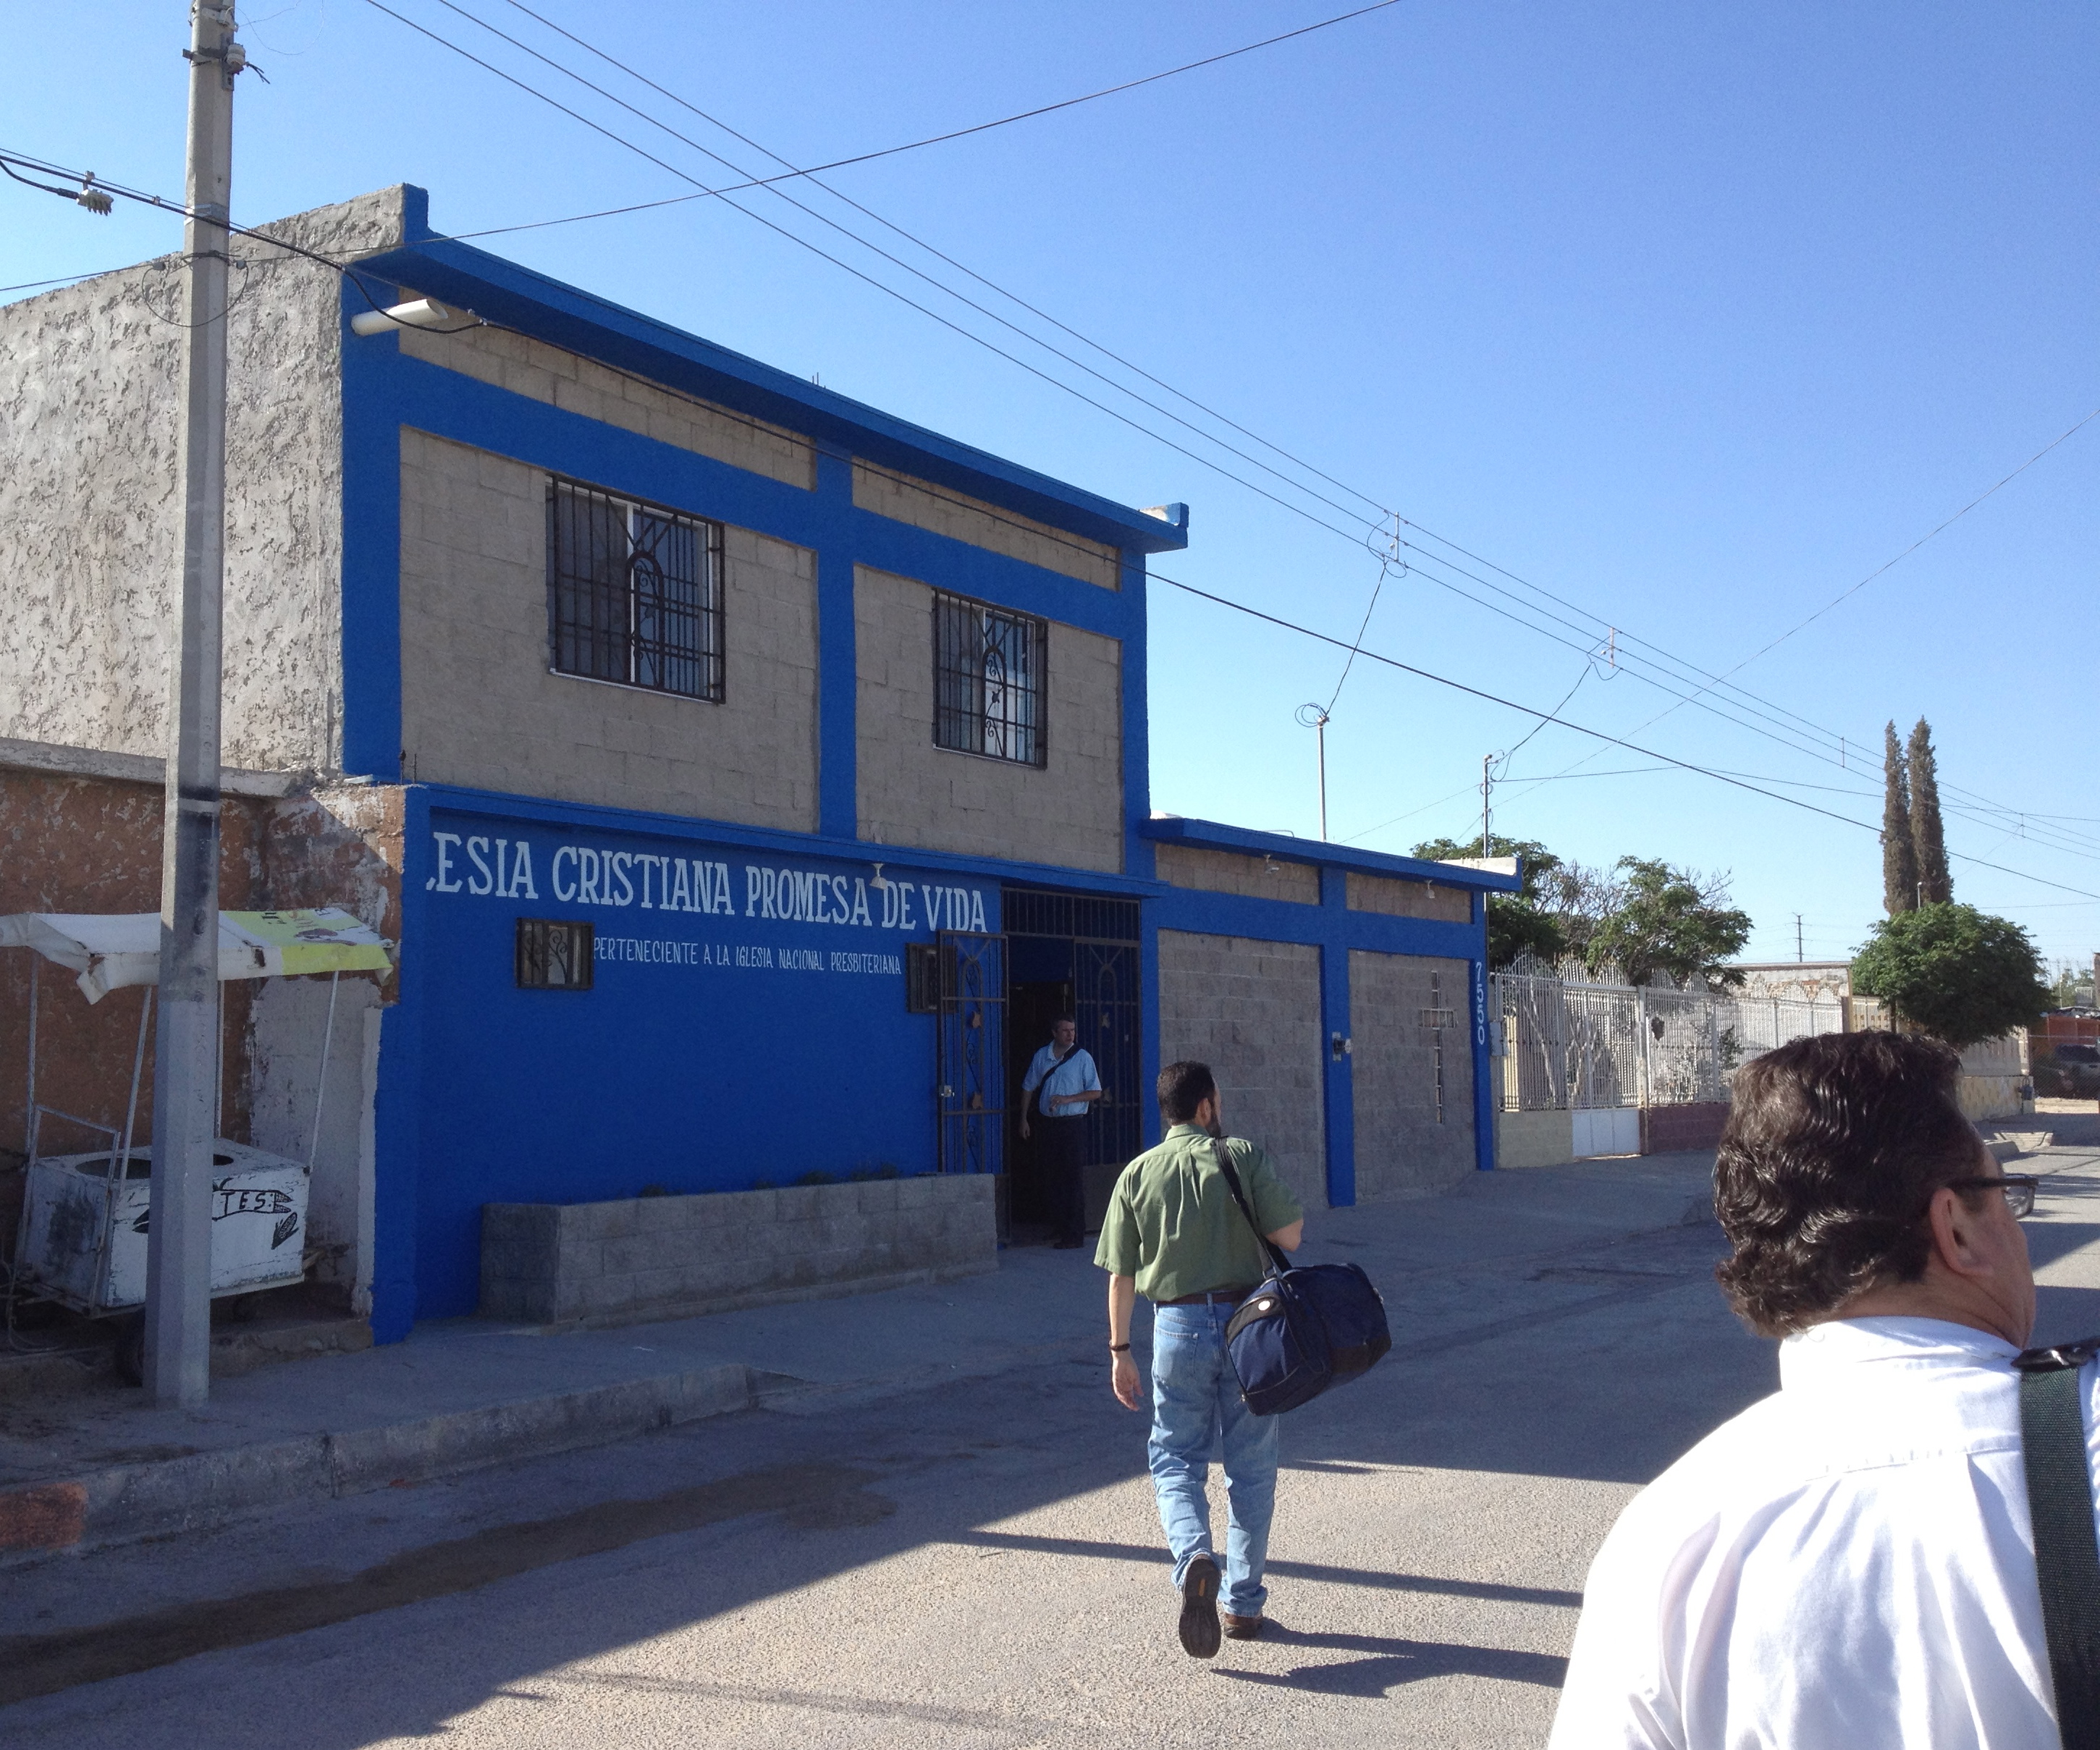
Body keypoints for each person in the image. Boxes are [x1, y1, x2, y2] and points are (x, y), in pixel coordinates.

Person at [1549, 1029, 2065, 1749]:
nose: (2019, 1230)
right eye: (2005, 1197)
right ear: (1957, 1229)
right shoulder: (2084, 1446)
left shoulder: (1672, 1534)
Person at [1097, 1060, 1304, 1657]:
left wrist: (1119, 1352)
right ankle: (1241, 1603)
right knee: (1252, 1465)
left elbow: (1120, 1276)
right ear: (1206, 1106)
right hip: (1249, 1329)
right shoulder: (1240, 1155)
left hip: (1174, 1328)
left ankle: (1193, 1558)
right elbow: (1290, 1235)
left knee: (1174, 1459)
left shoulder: (1137, 1174)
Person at [1020, 1015, 1104, 1248]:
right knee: (1051, 1177)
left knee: (1072, 1179)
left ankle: (1074, 1234)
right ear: (1055, 1032)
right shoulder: (1042, 1056)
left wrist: (1068, 1099)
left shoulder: (1082, 1058)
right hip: (1048, 1124)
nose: (1070, 1035)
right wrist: (1023, 1119)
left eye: (1073, 1030)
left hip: (1072, 1125)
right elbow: (1028, 1087)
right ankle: (1058, 1225)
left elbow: (1095, 1091)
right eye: (1065, 1031)